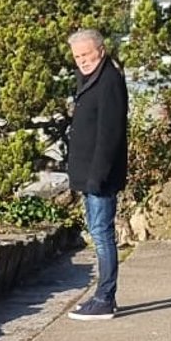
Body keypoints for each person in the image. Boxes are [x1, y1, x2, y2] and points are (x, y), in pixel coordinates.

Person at [65, 27, 128, 323]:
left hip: (100, 176)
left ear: (100, 51)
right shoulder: (91, 78)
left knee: (102, 235)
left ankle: (105, 298)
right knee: (98, 233)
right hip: (90, 175)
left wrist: (97, 177)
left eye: (87, 54)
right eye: (77, 56)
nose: (82, 60)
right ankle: (102, 297)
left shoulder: (109, 81)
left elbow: (110, 135)